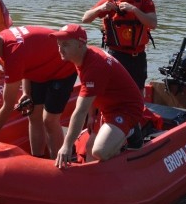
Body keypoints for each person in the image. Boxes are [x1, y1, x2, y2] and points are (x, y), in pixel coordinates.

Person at [0, 25, 77, 158]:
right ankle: (38, 159)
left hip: (63, 69)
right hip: (40, 67)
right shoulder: (3, 39)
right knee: (33, 115)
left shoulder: (13, 53)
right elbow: (26, 63)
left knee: (49, 120)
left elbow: (8, 106)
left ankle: (61, 163)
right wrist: (26, 92)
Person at [52, 24, 145, 168]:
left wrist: (66, 145)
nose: (60, 49)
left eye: (65, 44)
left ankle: (132, 132)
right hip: (108, 107)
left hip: (127, 109)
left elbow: (80, 110)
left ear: (80, 44)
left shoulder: (95, 66)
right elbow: (90, 91)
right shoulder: (82, 57)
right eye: (59, 44)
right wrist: (92, 116)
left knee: (100, 151)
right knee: (89, 151)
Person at [82, 0, 157, 90]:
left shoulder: (144, 1)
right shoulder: (110, 0)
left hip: (137, 57)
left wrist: (134, 10)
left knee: (137, 92)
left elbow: (153, 23)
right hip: (116, 55)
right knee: (113, 90)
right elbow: (85, 19)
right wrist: (100, 9)